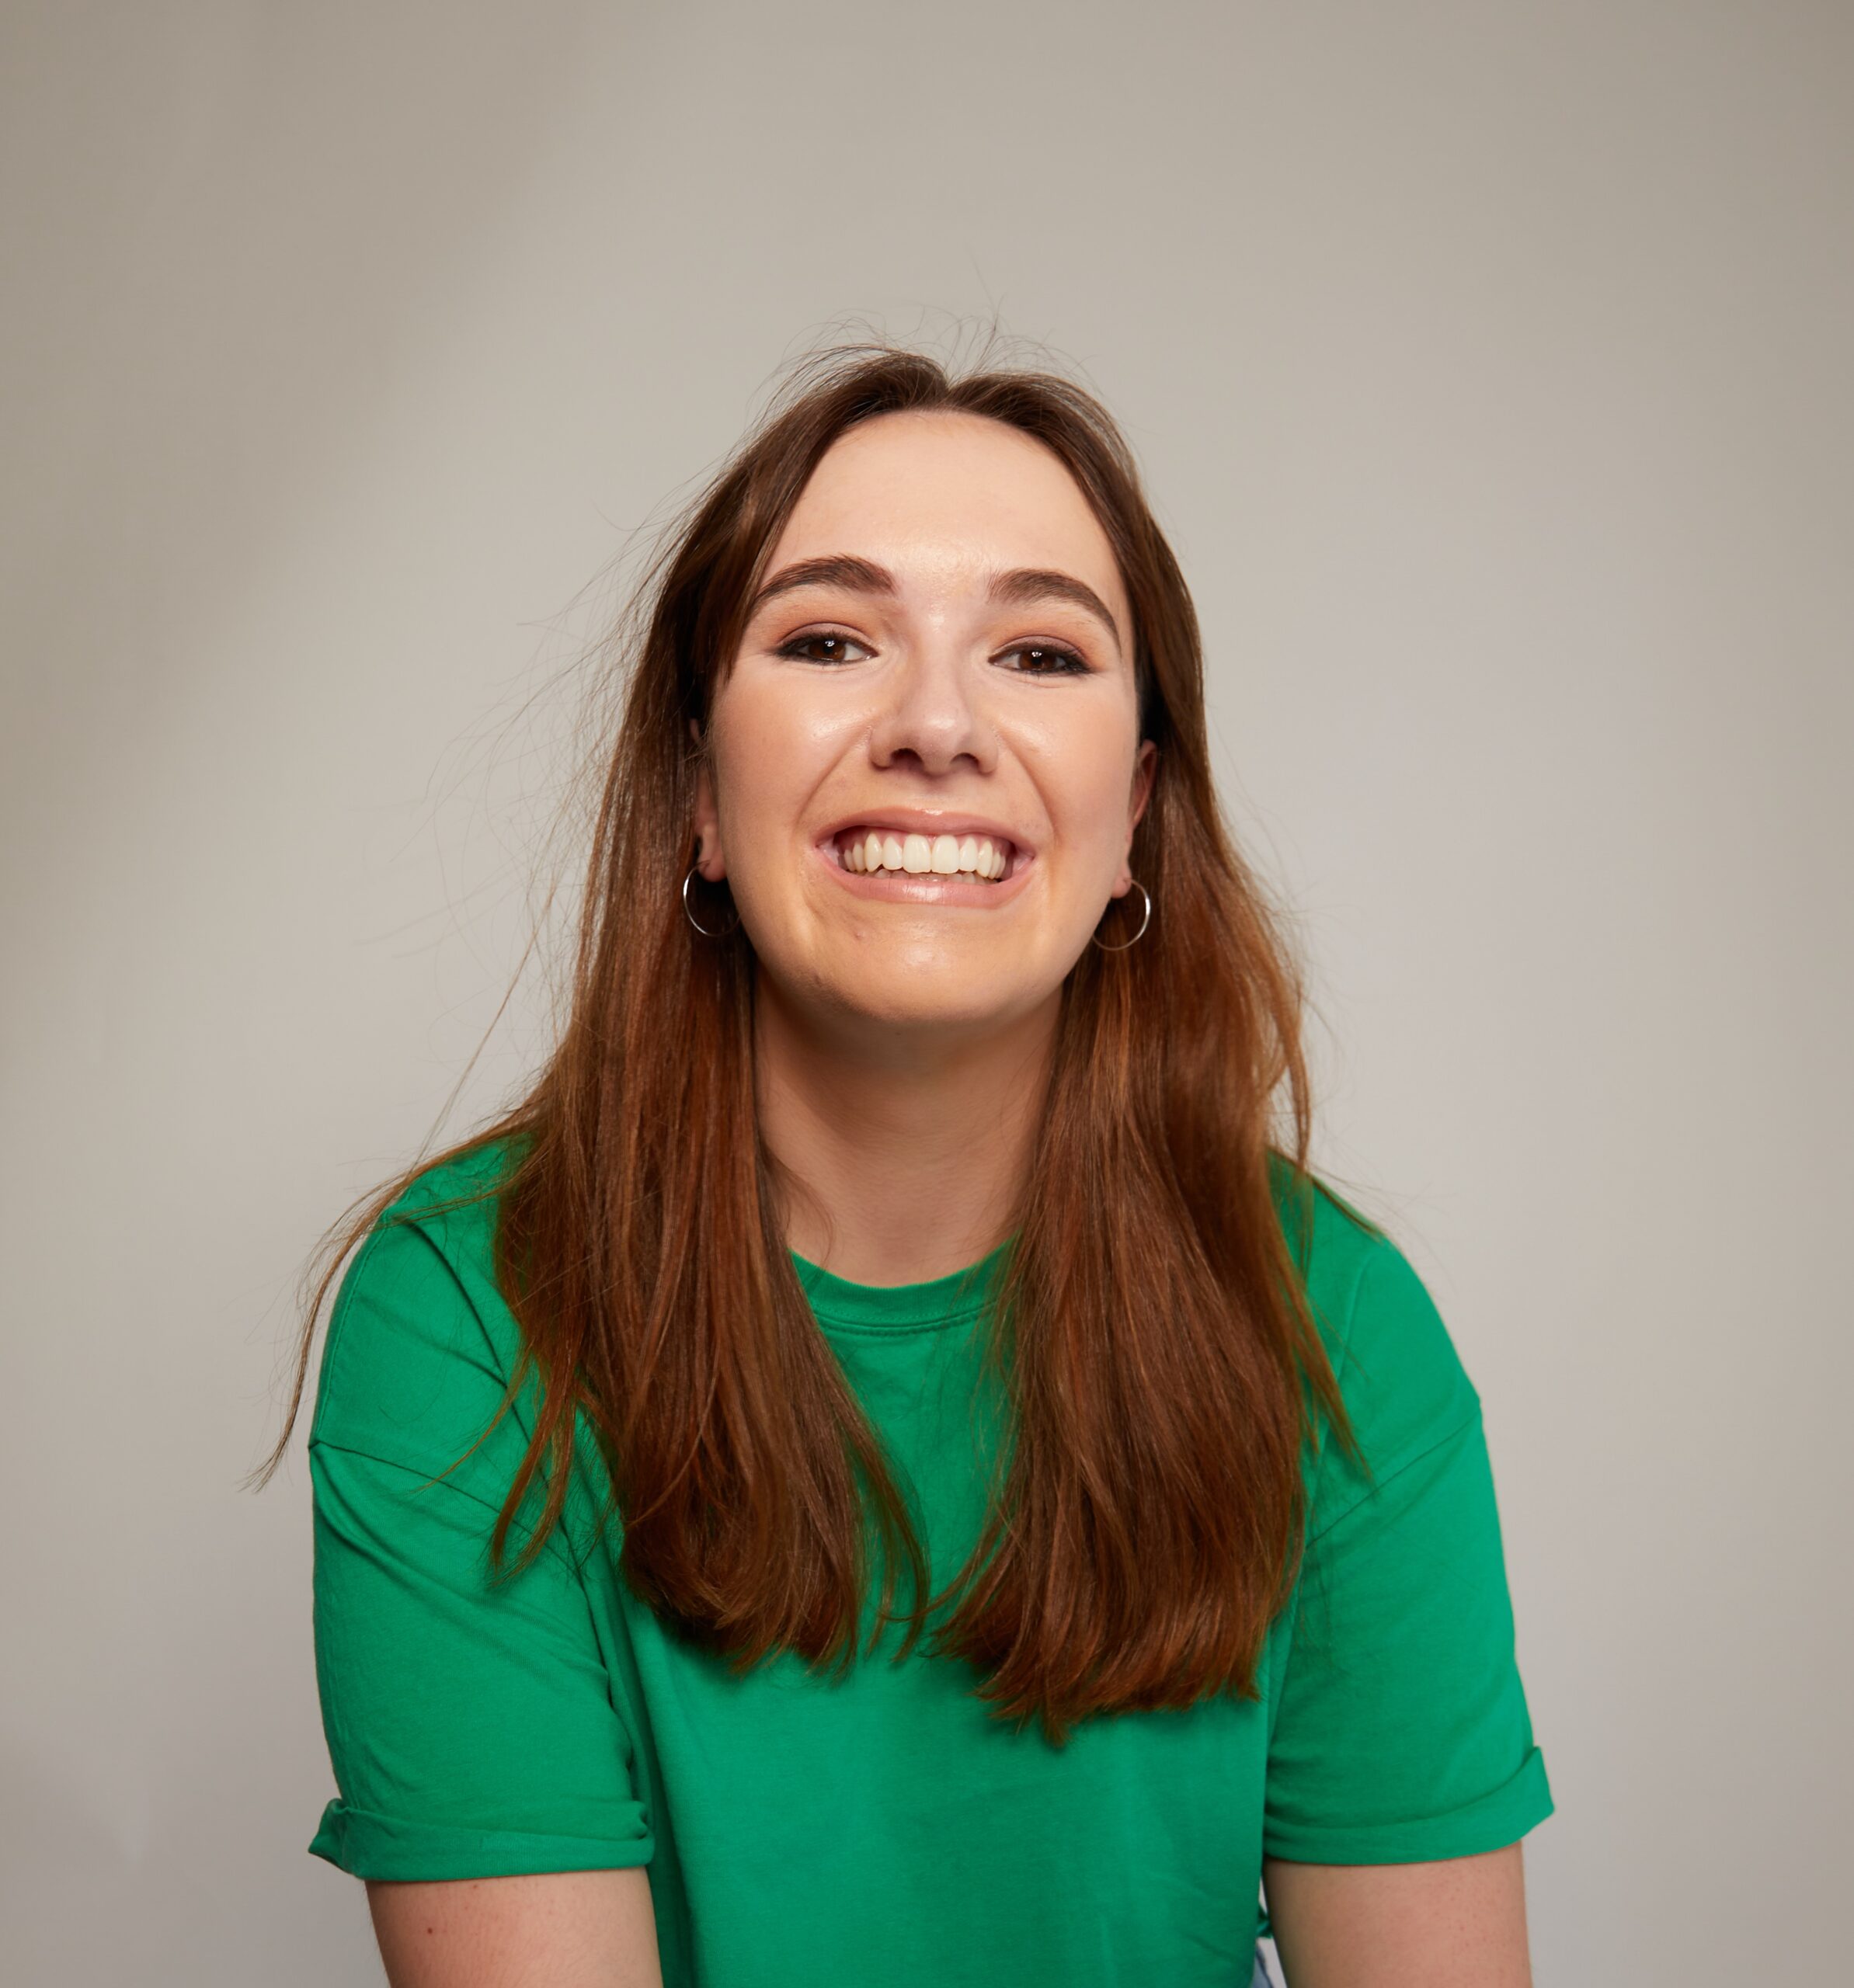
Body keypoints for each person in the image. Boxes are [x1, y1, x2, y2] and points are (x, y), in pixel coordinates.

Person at [262, 341, 1553, 1986]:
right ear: (702, 801)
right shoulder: (470, 1314)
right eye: (828, 638)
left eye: (1035, 650)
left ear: (1135, 811)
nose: (937, 723)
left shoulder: (1342, 1337)